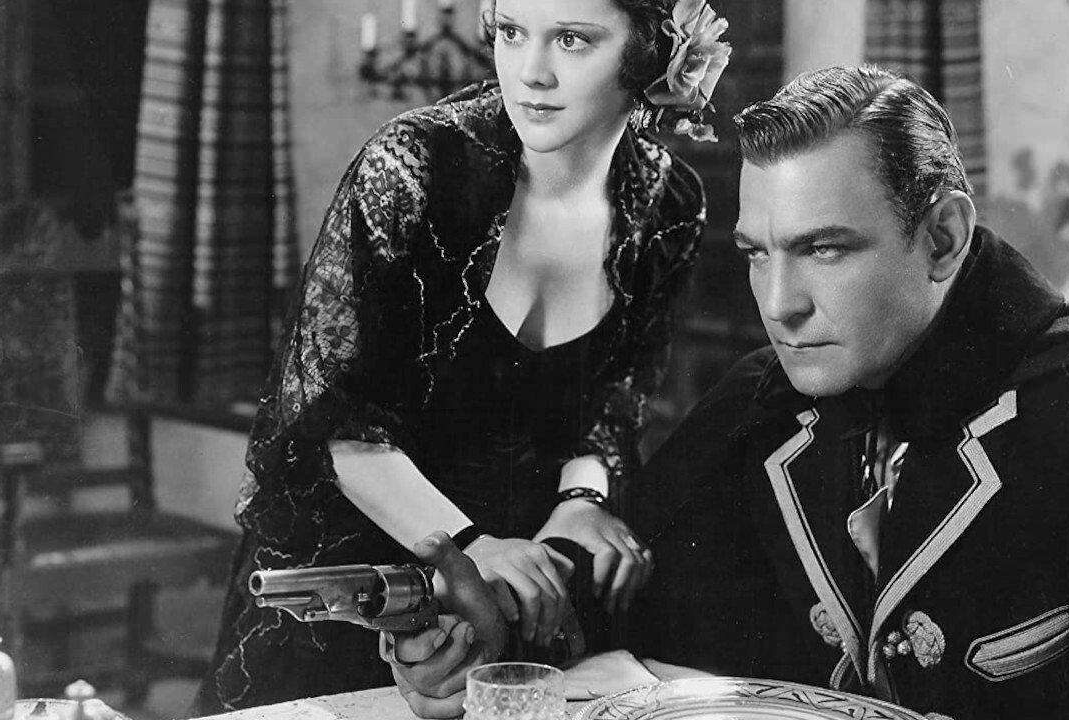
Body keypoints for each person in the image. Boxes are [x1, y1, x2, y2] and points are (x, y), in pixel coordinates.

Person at [391, 64, 1069, 719]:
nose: (780, 305)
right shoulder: (763, 401)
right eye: (758, 253)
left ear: (942, 239)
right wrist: (491, 641)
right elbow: (638, 598)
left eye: (825, 249)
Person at [196, 0, 731, 711]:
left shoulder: (671, 202)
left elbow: (617, 399)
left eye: (572, 40)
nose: (530, 72)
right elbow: (336, 420)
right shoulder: (414, 166)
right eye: (511, 32)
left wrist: (580, 501)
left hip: (520, 597)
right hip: (357, 591)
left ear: (654, 52)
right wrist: (471, 545)